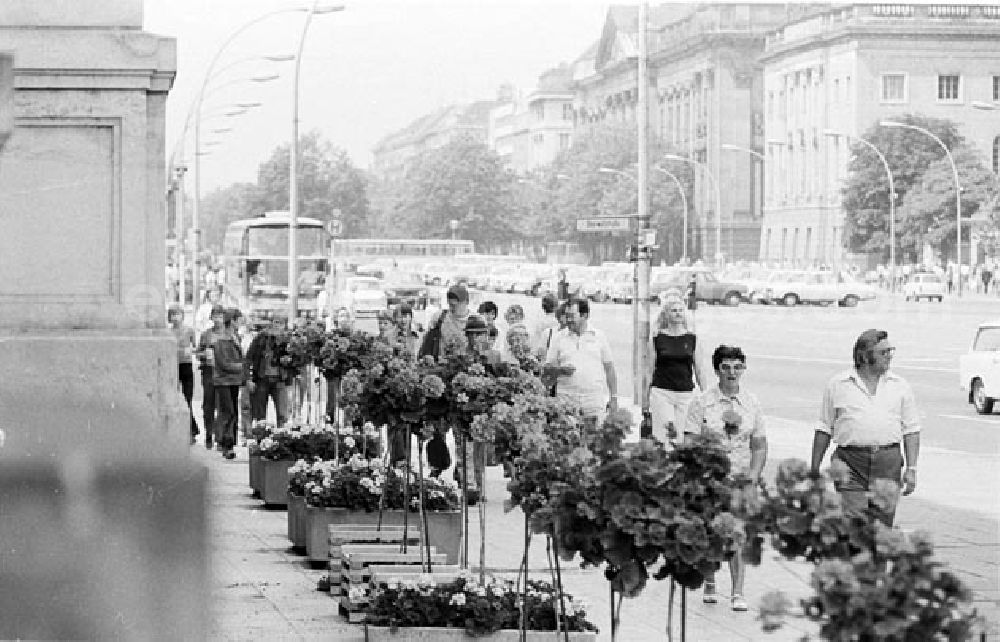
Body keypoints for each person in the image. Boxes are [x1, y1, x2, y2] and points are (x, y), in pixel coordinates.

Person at [684, 345, 767, 612]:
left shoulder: (752, 403)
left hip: (740, 477)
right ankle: (709, 579)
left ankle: (737, 591)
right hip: (711, 477)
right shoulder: (702, 402)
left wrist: (753, 476)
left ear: (743, 369)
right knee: (710, 531)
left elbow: (759, 444)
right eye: (726, 367)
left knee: (737, 533)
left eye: (737, 367)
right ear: (717, 370)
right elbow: (690, 440)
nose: (732, 373)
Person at [811, 329, 920, 527]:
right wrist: (814, 468)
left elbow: (911, 429)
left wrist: (911, 468)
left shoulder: (900, 386)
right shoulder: (839, 384)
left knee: (881, 525)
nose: (889, 357)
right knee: (854, 522)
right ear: (864, 355)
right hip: (850, 463)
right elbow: (824, 427)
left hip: (888, 463)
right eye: (883, 353)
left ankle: (873, 557)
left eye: (890, 351)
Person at [543, 297, 618, 424]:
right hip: (566, 401)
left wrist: (614, 397)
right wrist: (560, 370)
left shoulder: (598, 336)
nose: (568, 320)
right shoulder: (558, 338)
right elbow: (547, 369)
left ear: (585, 315)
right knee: (567, 439)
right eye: (566, 316)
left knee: (593, 440)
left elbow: (609, 368)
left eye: (572, 316)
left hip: (593, 401)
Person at [647, 292, 706, 443]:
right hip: (662, 391)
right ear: (666, 314)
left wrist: (705, 395)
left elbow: (699, 369)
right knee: (664, 434)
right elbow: (649, 369)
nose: (678, 313)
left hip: (685, 392)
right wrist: (645, 398)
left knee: (681, 436)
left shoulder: (692, 339)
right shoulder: (657, 338)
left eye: (680, 310)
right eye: (674, 310)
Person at [212, 308, 246, 460]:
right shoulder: (221, 340)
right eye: (239, 319)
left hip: (233, 380)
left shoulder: (235, 337)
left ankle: (229, 443)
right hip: (223, 380)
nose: (241, 322)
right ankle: (224, 443)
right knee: (227, 411)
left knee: (233, 412)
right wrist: (242, 366)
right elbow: (223, 363)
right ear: (232, 321)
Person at [245, 316, 289, 427]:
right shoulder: (261, 338)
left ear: (285, 326)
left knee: (282, 415)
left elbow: (295, 360)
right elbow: (248, 358)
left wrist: (289, 361)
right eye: (275, 322)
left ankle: (281, 439)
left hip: (280, 380)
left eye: (280, 323)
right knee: (260, 415)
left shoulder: (287, 340)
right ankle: (261, 440)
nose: (277, 325)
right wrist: (248, 378)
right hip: (261, 379)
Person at [196, 304, 225, 449]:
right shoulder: (206, 334)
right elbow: (198, 352)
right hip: (208, 373)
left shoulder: (229, 334)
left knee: (222, 406)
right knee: (208, 406)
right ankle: (209, 434)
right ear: (211, 318)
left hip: (224, 374)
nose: (218, 319)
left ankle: (220, 438)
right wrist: (204, 355)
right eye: (216, 316)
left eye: (220, 316)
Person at [168, 305, 199, 444]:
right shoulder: (167, 332)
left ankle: (191, 431)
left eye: (177, 314)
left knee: (187, 400)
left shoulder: (189, 330)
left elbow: (195, 347)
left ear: (182, 315)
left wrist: (191, 350)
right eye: (172, 314)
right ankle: (184, 430)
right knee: (174, 400)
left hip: (186, 365)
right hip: (173, 367)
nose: (175, 317)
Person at [530, 293, 560, 358]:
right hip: (550, 353)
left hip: (539, 352)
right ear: (556, 307)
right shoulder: (557, 322)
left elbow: (535, 340)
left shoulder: (539, 322)